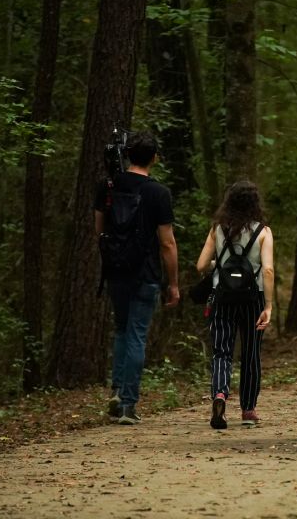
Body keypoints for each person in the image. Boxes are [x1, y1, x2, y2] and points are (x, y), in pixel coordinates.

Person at [95, 131, 180, 425]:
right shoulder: (159, 193)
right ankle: (129, 404)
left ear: (128, 155)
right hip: (145, 273)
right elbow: (167, 243)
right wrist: (174, 283)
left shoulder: (108, 186)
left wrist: (111, 256)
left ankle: (117, 391)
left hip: (116, 269)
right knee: (136, 335)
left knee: (121, 329)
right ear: (154, 158)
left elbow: (99, 230)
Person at [195, 181, 275, 429]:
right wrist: (269, 306)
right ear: (255, 203)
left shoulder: (217, 229)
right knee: (251, 354)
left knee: (222, 351)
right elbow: (269, 270)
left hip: (223, 298)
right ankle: (248, 410)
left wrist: (218, 265)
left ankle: (220, 393)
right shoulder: (263, 231)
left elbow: (200, 266)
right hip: (253, 298)